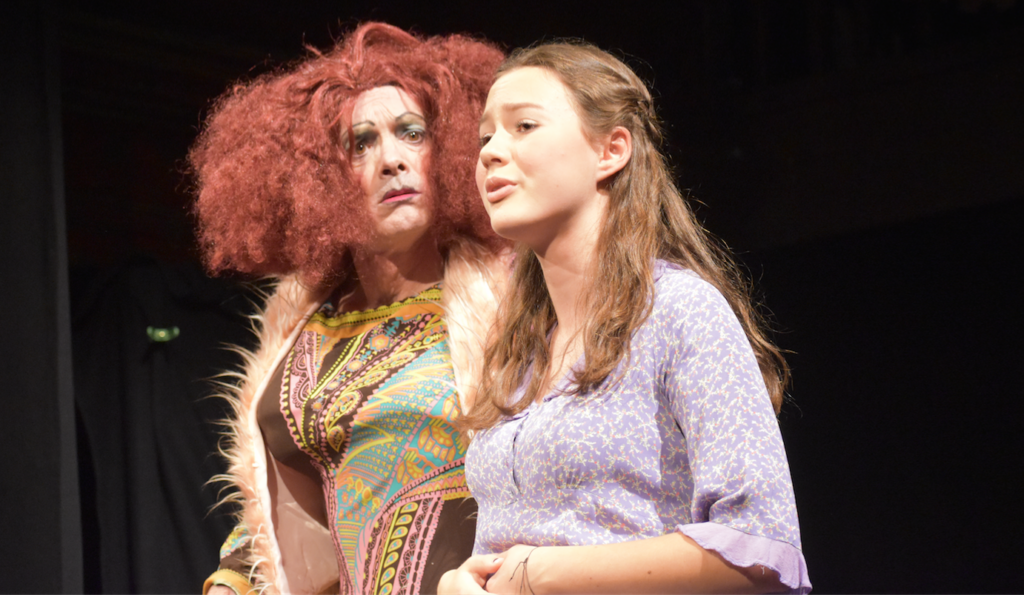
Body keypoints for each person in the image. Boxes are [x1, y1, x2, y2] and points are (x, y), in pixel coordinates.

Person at [440, 42, 811, 594]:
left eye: (523, 126)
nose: (492, 151)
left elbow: (761, 546)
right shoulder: (517, 355)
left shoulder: (678, 312)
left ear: (611, 150)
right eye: (485, 137)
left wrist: (541, 574)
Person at [188, 22, 508, 595]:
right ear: (320, 180)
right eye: (360, 143)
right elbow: (277, 505)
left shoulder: (510, 299)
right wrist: (232, 580)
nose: (392, 160)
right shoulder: (305, 327)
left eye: (413, 133)